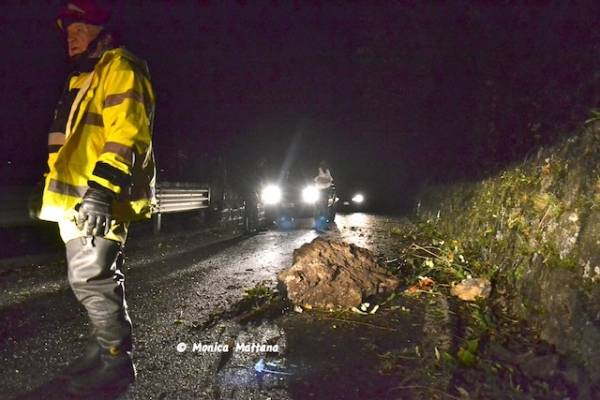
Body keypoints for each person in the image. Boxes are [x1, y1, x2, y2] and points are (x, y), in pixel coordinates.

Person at [38, 0, 156, 396]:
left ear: (105, 33)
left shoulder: (119, 67)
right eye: (68, 30)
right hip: (78, 201)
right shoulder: (82, 79)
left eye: (81, 28)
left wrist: (101, 193)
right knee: (92, 280)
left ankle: (117, 362)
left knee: (91, 280)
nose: (71, 36)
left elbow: (127, 136)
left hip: (96, 198)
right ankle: (102, 348)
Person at [313, 160, 334, 230]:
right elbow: (315, 179)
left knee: (325, 209)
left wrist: (323, 180)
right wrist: (325, 180)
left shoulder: (328, 172)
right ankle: (317, 224)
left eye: (325, 164)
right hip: (318, 191)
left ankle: (324, 224)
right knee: (317, 208)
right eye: (322, 164)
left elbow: (330, 181)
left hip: (326, 192)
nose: (324, 166)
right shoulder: (317, 171)